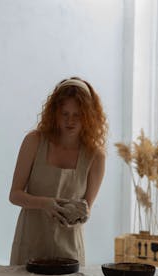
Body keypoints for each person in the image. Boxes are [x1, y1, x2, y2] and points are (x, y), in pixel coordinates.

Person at [9, 77, 108, 265]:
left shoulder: (96, 156)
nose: (70, 121)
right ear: (54, 113)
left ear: (89, 117)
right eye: (65, 114)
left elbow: (86, 208)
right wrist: (45, 203)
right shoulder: (34, 141)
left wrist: (80, 213)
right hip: (30, 242)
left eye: (77, 115)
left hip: (69, 250)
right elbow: (14, 195)